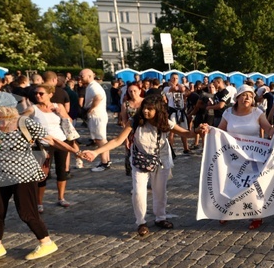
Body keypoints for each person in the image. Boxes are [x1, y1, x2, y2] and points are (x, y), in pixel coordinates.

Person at [0, 106, 80, 265]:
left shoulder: (24, 123)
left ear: (4, 108)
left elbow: (52, 140)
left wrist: (76, 152)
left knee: (27, 212)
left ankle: (46, 242)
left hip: (23, 174)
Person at [83, 95, 198, 237]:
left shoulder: (165, 122)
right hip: (139, 159)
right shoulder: (135, 121)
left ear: (158, 110)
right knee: (138, 191)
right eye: (144, 108)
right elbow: (117, 140)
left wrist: (198, 131)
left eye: (150, 109)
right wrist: (96, 152)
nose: (145, 111)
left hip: (160, 160)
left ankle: (160, 217)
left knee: (160, 191)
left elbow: (186, 133)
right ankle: (141, 222)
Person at [199, 85, 274, 230]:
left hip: (252, 157)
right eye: (244, 95)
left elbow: (268, 130)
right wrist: (208, 129)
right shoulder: (228, 112)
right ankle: (228, 211)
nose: (247, 98)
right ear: (237, 97)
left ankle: (257, 215)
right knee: (230, 184)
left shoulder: (257, 112)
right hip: (232, 156)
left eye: (250, 96)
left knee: (252, 186)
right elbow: (219, 131)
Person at [29, 84, 76, 211]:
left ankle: (61, 197)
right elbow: (21, 120)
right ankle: (39, 202)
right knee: (43, 173)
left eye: (41, 93)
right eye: (36, 93)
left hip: (60, 141)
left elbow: (69, 121)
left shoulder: (58, 106)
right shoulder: (33, 108)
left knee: (62, 170)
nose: (38, 95)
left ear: (50, 94)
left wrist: (61, 114)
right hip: (43, 144)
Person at [80, 69, 111, 172]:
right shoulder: (91, 86)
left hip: (97, 116)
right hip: (97, 116)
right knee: (101, 139)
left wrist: (91, 109)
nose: (80, 78)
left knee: (100, 139)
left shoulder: (94, 86)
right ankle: (106, 160)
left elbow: (98, 97)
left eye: (82, 76)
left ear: (89, 76)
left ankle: (104, 163)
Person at [119, 82, 145, 176]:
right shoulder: (125, 104)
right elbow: (124, 121)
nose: (133, 93)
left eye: (135, 91)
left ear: (140, 91)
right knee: (131, 155)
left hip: (144, 131)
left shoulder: (145, 102)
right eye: (130, 91)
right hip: (131, 133)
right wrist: (125, 138)